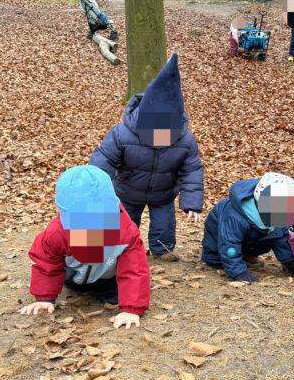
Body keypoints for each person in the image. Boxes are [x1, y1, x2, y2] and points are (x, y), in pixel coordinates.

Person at [90, 53, 204, 261]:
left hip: (163, 193)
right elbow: (104, 160)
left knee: (164, 223)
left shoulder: (185, 140)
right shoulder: (122, 133)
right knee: (124, 222)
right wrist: (94, 187)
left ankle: (162, 248)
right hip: (128, 190)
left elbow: (191, 170)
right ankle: (121, 248)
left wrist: (192, 202)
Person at [19, 165, 150, 330]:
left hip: (108, 278)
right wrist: (44, 298)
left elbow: (134, 268)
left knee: (114, 294)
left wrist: (131, 309)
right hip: (73, 276)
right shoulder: (56, 233)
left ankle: (110, 292)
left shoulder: (126, 232)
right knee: (71, 278)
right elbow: (46, 263)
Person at [201, 173, 294, 282]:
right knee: (217, 259)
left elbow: (280, 237)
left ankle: (245, 256)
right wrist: (239, 273)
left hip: (248, 242)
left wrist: (290, 261)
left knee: (276, 233)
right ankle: (220, 258)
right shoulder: (234, 216)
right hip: (218, 244)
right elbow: (229, 244)